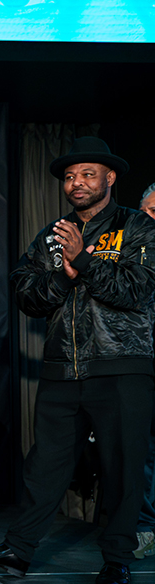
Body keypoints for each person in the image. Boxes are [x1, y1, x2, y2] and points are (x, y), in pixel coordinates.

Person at [0, 137, 155, 584]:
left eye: (88, 174)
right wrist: (63, 274)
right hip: (61, 369)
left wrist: (83, 261)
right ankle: (18, 550)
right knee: (44, 465)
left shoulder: (138, 229)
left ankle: (116, 560)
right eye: (70, 177)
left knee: (122, 468)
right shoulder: (51, 234)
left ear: (110, 178)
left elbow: (135, 291)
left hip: (121, 366)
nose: (77, 183)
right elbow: (27, 296)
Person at [137, 184, 155, 560]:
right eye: (152, 211)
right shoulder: (125, 251)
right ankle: (144, 527)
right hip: (139, 365)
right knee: (143, 451)